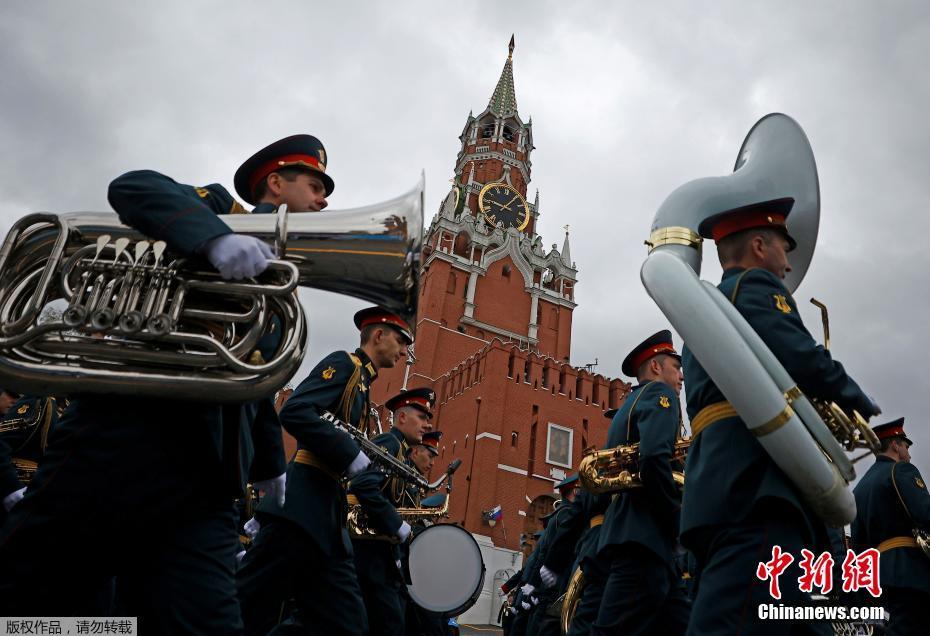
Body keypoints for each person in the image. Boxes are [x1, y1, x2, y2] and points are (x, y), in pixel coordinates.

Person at [0, 135, 340, 632]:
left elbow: (253, 381)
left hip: (206, 485)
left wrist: (269, 463)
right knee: (40, 612)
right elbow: (134, 187)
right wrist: (213, 239)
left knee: (207, 624)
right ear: (275, 182)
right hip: (117, 444)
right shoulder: (217, 208)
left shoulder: (274, 278)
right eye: (315, 184)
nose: (325, 200)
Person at [681, 202, 881, 635]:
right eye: (784, 251)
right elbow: (801, 357)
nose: (789, 267)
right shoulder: (753, 286)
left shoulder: (710, 310)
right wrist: (858, 400)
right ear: (758, 246)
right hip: (757, 484)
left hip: (727, 482)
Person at [236, 306, 413, 636]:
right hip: (300, 513)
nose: (405, 351)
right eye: (401, 341)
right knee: (248, 607)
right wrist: (349, 453)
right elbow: (296, 410)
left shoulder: (363, 383)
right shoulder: (345, 364)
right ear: (378, 335)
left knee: (345, 624)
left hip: (326, 519)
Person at [590, 331, 690, 635]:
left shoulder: (629, 405)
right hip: (646, 538)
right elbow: (653, 461)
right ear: (656, 368)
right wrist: (677, 518)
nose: (682, 377)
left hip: (637, 537)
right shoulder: (661, 397)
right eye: (676, 367)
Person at [347, 387, 434, 636]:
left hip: (381, 553)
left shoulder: (402, 452)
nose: (427, 425)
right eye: (422, 417)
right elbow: (363, 485)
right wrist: (397, 524)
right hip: (367, 552)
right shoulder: (390, 443)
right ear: (402, 417)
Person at [851, 418, 930, 636]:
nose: (909, 453)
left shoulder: (859, 488)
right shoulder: (901, 471)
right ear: (895, 444)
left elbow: (857, 543)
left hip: (875, 577)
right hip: (909, 572)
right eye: (905, 445)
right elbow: (925, 513)